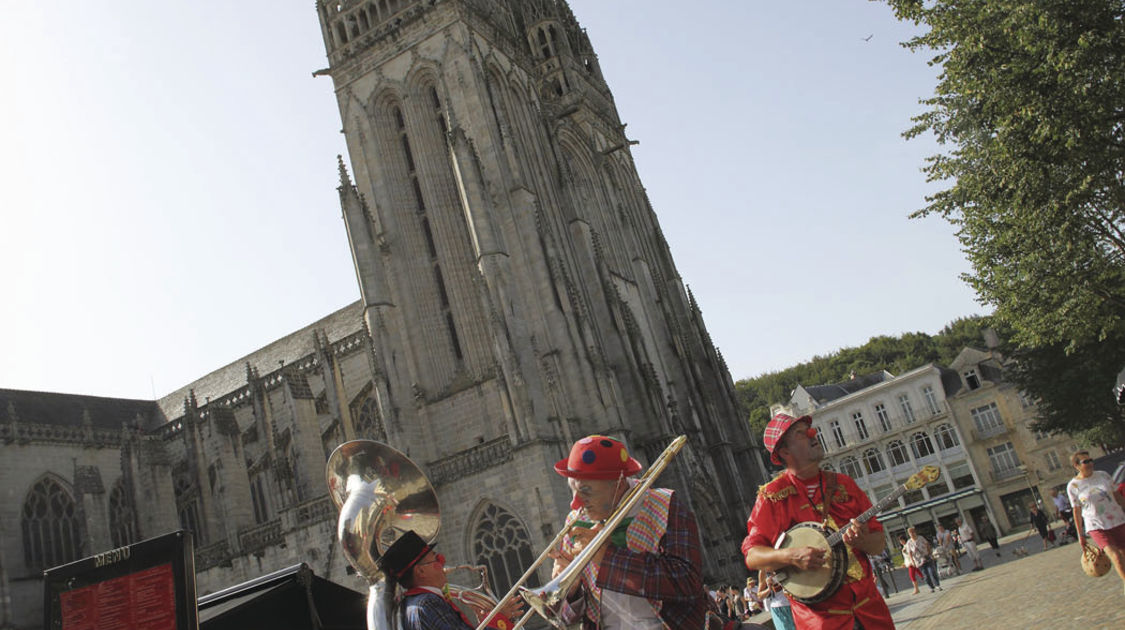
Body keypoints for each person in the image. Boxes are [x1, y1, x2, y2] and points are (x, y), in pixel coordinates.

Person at [742, 413, 895, 629]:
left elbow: (879, 544)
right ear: (784, 451)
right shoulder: (772, 496)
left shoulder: (845, 484)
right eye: (801, 433)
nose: (813, 435)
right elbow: (752, 555)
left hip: (870, 612)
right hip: (821, 622)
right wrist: (791, 556)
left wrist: (862, 540)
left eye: (809, 430)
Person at [549, 434, 711, 629]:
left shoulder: (664, 505)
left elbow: (687, 582)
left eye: (586, 491)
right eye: (572, 490)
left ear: (617, 482)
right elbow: (565, 619)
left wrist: (608, 557)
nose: (575, 503)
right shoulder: (575, 521)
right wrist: (571, 589)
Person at [379, 530, 521, 630]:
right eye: (436, 559)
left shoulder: (413, 604)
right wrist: (498, 620)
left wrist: (485, 623)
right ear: (421, 571)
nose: (442, 562)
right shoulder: (428, 603)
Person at [1068, 450, 1125, 594]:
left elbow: (1117, 496)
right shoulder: (1073, 486)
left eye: (1090, 460)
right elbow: (1077, 511)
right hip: (1096, 525)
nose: (1090, 464)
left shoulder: (1103, 476)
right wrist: (1080, 535)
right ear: (1076, 465)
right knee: (1116, 557)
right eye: (1085, 462)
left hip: (1117, 520)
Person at [901, 527, 941, 593]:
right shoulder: (909, 543)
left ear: (915, 532)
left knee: (932, 571)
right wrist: (913, 561)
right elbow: (910, 553)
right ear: (909, 534)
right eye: (910, 533)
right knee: (925, 575)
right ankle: (931, 587)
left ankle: (937, 585)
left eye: (913, 532)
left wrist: (929, 552)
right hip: (918, 561)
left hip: (927, 557)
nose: (912, 534)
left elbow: (927, 544)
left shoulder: (921, 538)